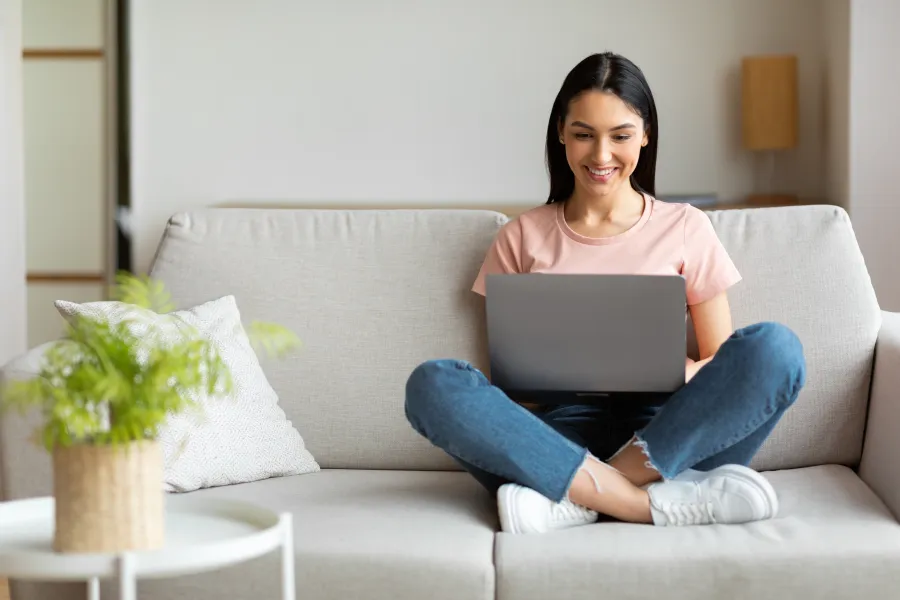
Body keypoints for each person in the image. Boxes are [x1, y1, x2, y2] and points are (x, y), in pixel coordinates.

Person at [404, 52, 806, 534]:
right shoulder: (520, 237)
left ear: (646, 134)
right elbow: (512, 396)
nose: (601, 156)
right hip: (560, 433)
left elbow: (723, 362)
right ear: (560, 132)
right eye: (583, 134)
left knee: (775, 348)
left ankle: (582, 495)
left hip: (670, 430)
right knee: (433, 384)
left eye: (620, 136)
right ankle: (642, 503)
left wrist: (668, 369)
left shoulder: (686, 227)